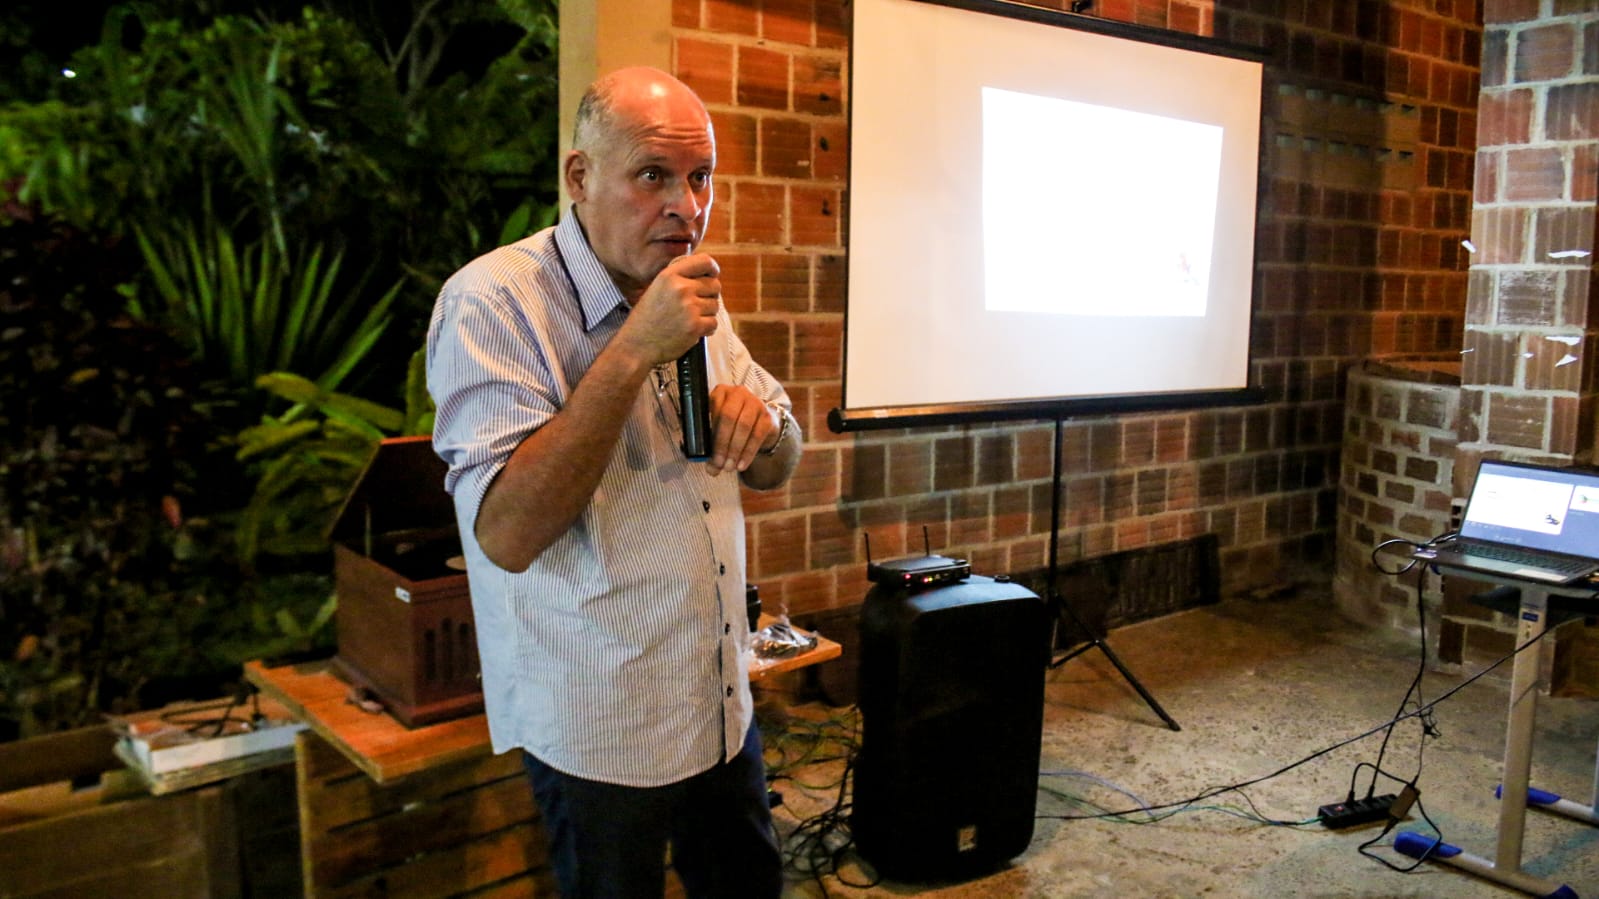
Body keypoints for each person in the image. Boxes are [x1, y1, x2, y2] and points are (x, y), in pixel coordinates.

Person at [426, 65, 801, 898]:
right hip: (600, 723)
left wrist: (765, 427)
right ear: (579, 176)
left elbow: (779, 459)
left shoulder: (687, 288)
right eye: (653, 175)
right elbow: (506, 534)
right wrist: (633, 348)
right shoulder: (491, 301)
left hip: (715, 696)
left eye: (700, 177)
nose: (686, 206)